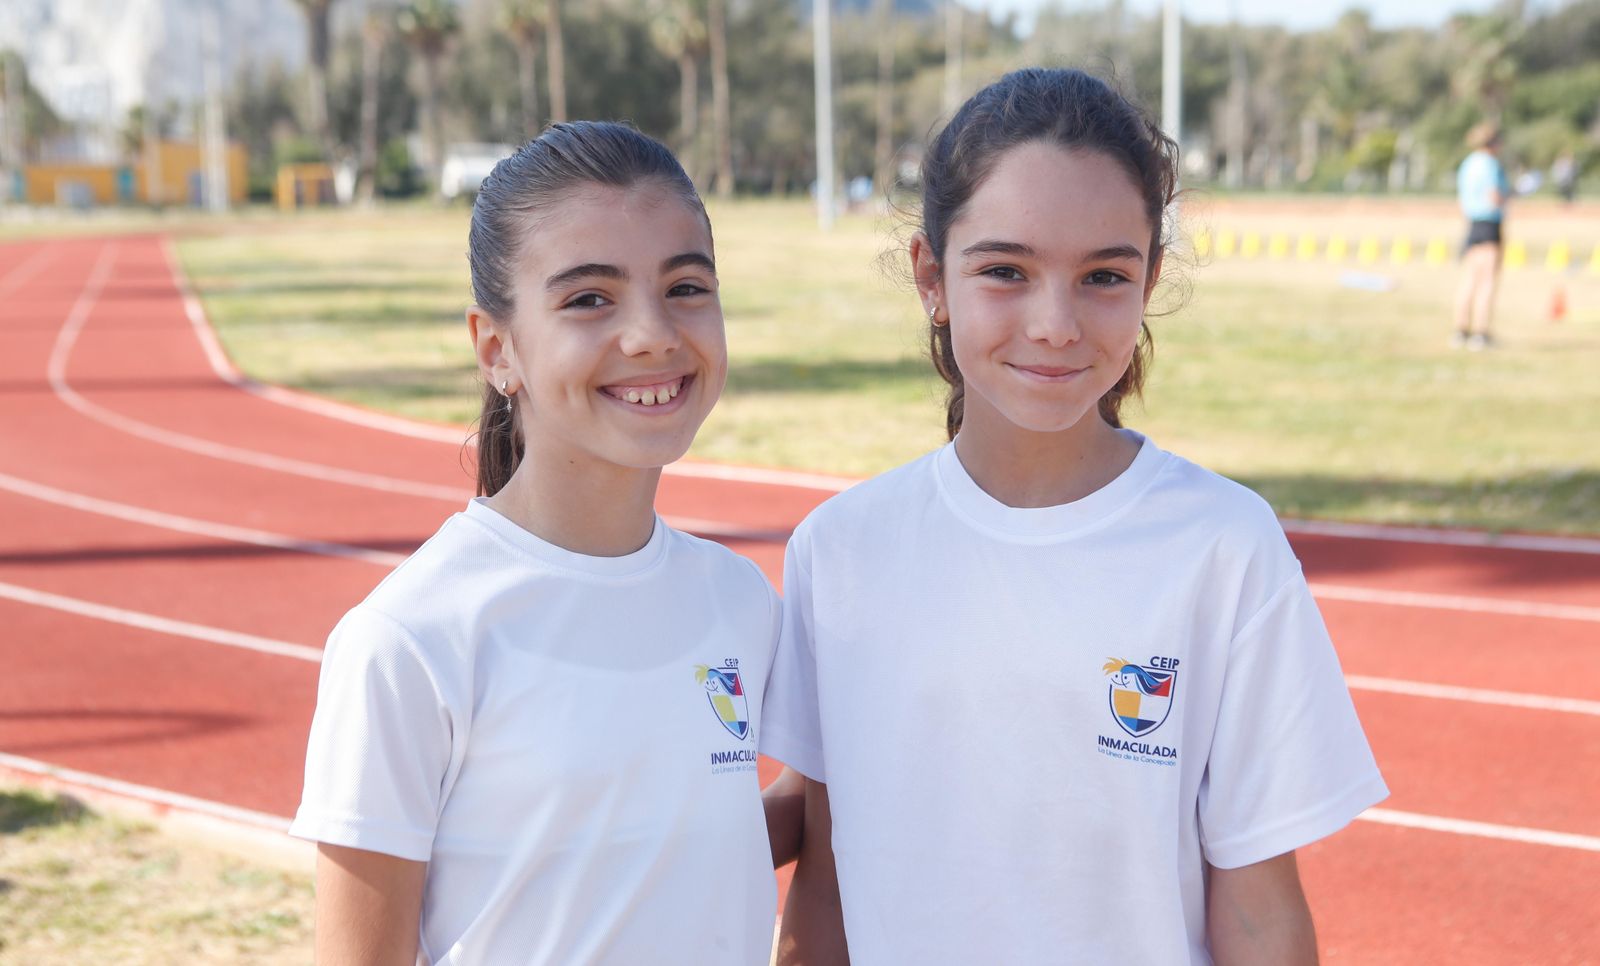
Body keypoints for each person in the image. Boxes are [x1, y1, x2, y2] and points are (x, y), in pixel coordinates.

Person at [763, 68, 1388, 965]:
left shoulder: (1223, 547)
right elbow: (823, 876)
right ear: (932, 278)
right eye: (1006, 271)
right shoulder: (842, 550)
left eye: (1102, 275)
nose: (1055, 323)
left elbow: (1257, 907)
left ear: (1151, 281)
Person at [290, 121, 801, 965]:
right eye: (588, 299)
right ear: (498, 349)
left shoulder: (738, 599)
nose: (652, 335)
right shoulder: (410, 641)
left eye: (685, 287)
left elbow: (671, 840)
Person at [1453, 122, 1511, 350]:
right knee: (1487, 280)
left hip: (1472, 223)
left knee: (1469, 278)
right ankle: (1481, 333)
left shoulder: (1468, 163)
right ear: (1494, 142)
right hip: (1488, 223)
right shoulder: (1490, 164)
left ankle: (1460, 330)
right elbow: (1494, 196)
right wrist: (1510, 196)